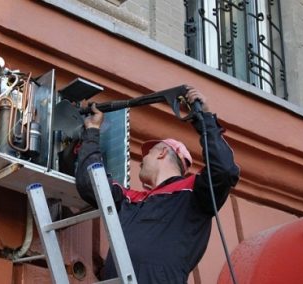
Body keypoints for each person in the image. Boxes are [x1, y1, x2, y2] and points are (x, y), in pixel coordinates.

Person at [75, 87, 240, 283]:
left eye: (149, 153)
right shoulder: (131, 198)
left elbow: (223, 170)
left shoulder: (193, 191)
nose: (141, 160)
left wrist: (204, 119)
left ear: (162, 153)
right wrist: (92, 132)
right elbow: (90, 183)